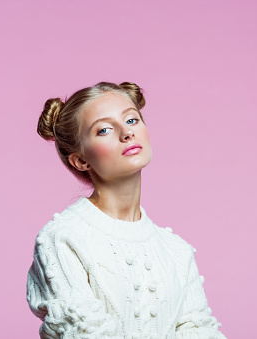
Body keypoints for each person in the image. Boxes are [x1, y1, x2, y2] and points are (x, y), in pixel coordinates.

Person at [26, 81, 227, 338]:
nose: (126, 133)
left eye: (132, 120)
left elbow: (200, 331)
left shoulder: (176, 251)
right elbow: (85, 333)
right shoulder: (62, 238)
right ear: (81, 160)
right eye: (104, 130)